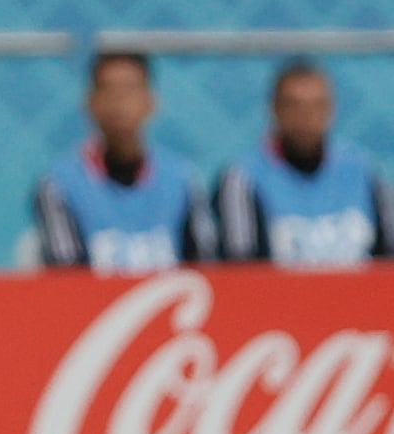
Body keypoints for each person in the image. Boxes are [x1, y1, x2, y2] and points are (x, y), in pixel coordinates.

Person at [36, 52, 217, 272]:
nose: (118, 100)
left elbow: (208, 271)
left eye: (129, 89)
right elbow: (67, 279)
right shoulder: (58, 185)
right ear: (90, 103)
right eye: (108, 89)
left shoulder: (184, 181)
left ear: (152, 102)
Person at [217, 61, 393, 266]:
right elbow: (239, 272)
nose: (306, 117)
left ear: (331, 109)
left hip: (359, 297)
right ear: (274, 109)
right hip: (279, 297)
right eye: (294, 106)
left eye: (316, 105)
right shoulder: (243, 179)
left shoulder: (364, 171)